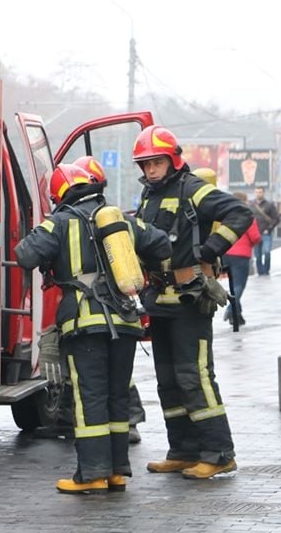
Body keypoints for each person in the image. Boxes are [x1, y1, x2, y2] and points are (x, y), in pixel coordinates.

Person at [15, 162, 170, 494]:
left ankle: (91, 474)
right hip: (126, 322)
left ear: (61, 192)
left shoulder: (58, 222)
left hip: (86, 324)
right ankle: (116, 471)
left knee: (89, 398)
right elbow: (161, 245)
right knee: (117, 396)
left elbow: (24, 255)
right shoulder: (121, 221)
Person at [133, 125, 253, 480]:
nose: (151, 170)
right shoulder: (149, 198)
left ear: (172, 160)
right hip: (159, 301)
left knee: (195, 376)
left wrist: (210, 249)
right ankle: (183, 450)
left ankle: (219, 453)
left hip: (189, 301)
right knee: (168, 381)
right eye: (145, 164)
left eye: (156, 162)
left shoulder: (193, 190)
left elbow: (240, 214)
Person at [73, 155, 146, 445]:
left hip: (88, 314)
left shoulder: (68, 222)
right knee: (119, 374)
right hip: (124, 310)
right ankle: (129, 421)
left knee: (93, 377)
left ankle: (112, 430)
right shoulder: (119, 221)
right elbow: (158, 244)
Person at [222, 192, 261, 326]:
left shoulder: (225, 214)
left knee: (233, 285)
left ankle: (237, 316)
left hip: (226, 253)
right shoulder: (247, 215)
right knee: (239, 286)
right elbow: (255, 237)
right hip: (241, 255)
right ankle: (230, 309)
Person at [251, 186, 279, 275]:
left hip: (266, 233)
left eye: (260, 192)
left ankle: (266, 271)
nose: (258, 194)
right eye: (257, 192)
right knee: (257, 255)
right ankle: (260, 272)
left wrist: (269, 228)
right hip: (255, 233)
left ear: (263, 193)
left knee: (267, 252)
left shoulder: (269, 205)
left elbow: (276, 219)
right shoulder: (251, 205)